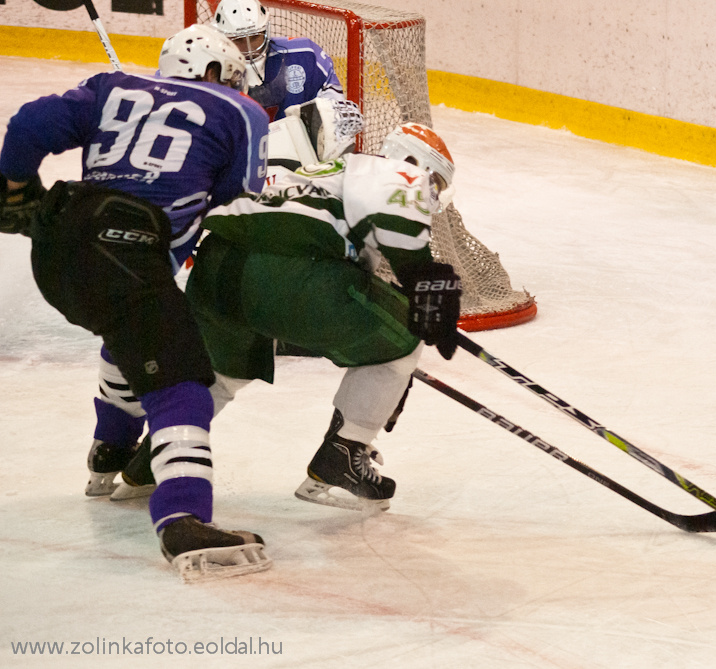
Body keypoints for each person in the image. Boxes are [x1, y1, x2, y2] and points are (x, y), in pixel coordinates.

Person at [0, 24, 272, 581]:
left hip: (58, 246)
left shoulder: (110, 86)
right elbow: (235, 199)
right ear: (217, 72)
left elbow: (28, 124)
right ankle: (182, 518)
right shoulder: (243, 112)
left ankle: (111, 449)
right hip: (125, 249)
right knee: (183, 385)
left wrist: (13, 187)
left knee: (130, 333)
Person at [116, 121, 462, 512]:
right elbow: (407, 243)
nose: (430, 193)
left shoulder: (324, 170)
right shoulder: (395, 172)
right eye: (434, 183)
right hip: (289, 277)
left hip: (216, 274)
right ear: (417, 163)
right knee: (403, 341)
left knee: (221, 377)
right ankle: (344, 452)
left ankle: (145, 468)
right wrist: (423, 281)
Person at [213, 0, 343, 121]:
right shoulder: (209, 73)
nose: (249, 49)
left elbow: (337, 110)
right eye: (239, 40)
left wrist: (330, 119)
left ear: (266, 31)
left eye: (254, 37)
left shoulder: (305, 55)